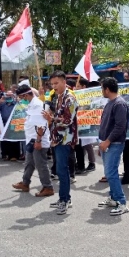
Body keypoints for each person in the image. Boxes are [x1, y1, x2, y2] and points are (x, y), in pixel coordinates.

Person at [42, 71, 78, 215]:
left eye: (56, 83)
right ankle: (63, 198)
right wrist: (50, 117)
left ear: (64, 82)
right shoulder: (58, 98)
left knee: (63, 170)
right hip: (57, 138)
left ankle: (65, 200)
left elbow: (68, 120)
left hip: (65, 139)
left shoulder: (70, 98)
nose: (54, 86)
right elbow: (58, 116)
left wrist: (51, 119)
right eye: (52, 84)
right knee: (60, 170)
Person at [12, 84, 54, 197]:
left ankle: (48, 187)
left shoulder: (37, 105)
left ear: (26, 95)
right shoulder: (31, 105)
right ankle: (25, 183)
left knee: (41, 165)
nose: (21, 100)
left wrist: (38, 141)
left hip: (38, 140)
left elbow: (41, 126)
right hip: (31, 140)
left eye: (21, 97)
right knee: (29, 163)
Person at [97, 77, 129, 215]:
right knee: (109, 172)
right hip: (107, 143)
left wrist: (107, 141)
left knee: (111, 173)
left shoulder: (119, 104)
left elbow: (120, 127)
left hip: (114, 143)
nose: (101, 91)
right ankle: (113, 198)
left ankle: (122, 203)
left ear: (107, 89)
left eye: (102, 88)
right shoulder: (110, 102)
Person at [74, 78, 96, 174]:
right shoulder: (76, 95)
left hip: (86, 123)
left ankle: (92, 163)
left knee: (87, 144)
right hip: (78, 123)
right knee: (80, 145)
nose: (76, 88)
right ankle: (80, 164)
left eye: (78, 86)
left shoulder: (88, 96)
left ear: (84, 87)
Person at [0, 91, 20, 161]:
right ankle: (5, 154)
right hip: (4, 124)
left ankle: (14, 155)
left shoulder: (16, 104)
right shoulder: (2, 104)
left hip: (14, 123)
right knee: (4, 140)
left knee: (14, 140)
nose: (9, 97)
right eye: (7, 95)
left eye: (11, 95)